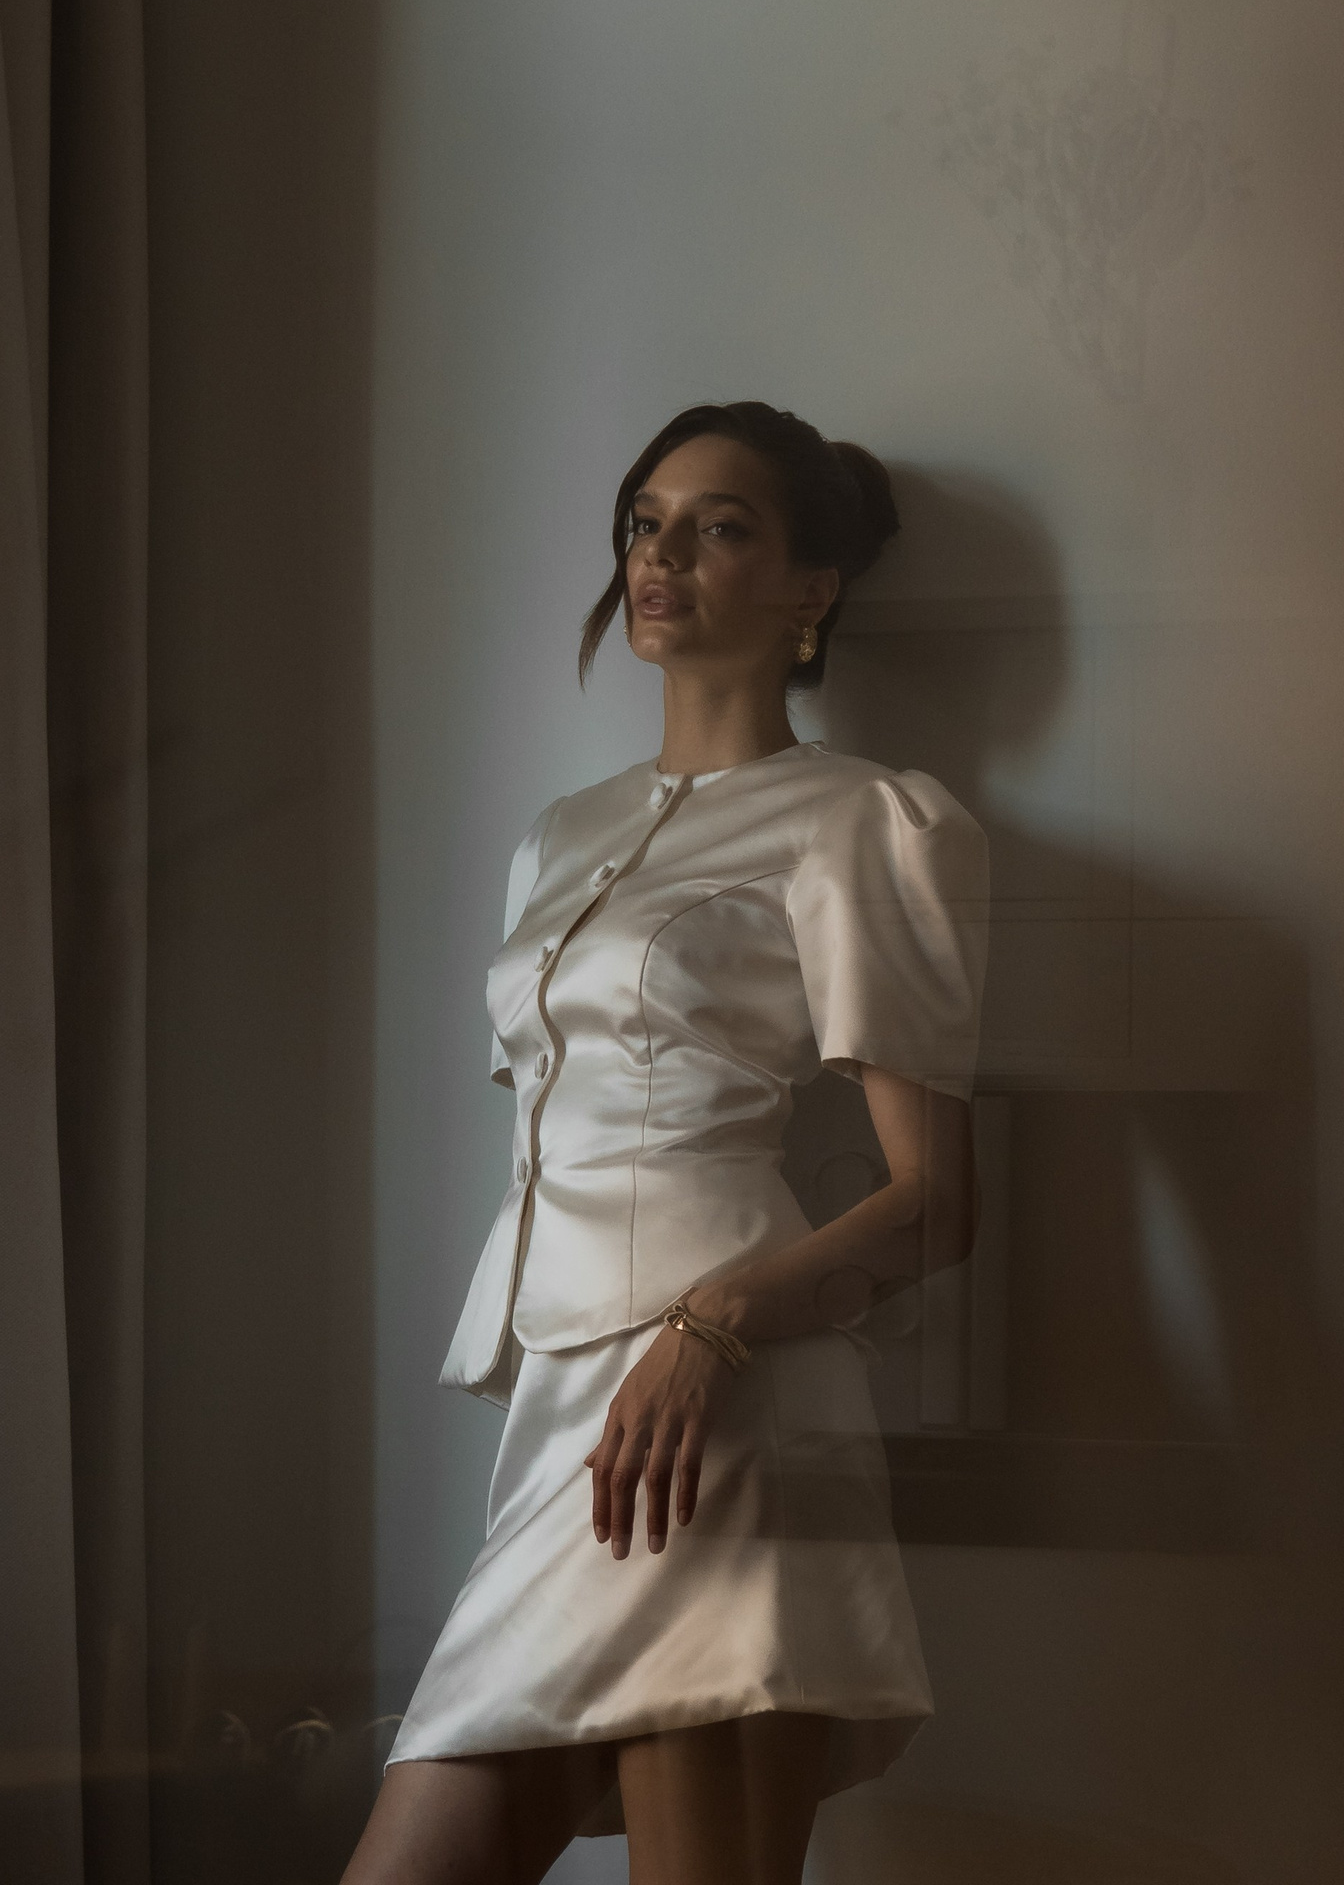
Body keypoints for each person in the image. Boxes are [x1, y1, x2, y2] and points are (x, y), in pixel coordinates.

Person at [342, 402, 989, 1885]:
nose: (662, 555)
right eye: (646, 523)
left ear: (812, 588)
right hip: (566, 1418)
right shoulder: (558, 837)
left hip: (721, 1413)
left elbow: (937, 1201)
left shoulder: (862, 822)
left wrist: (711, 1326)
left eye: (719, 528)